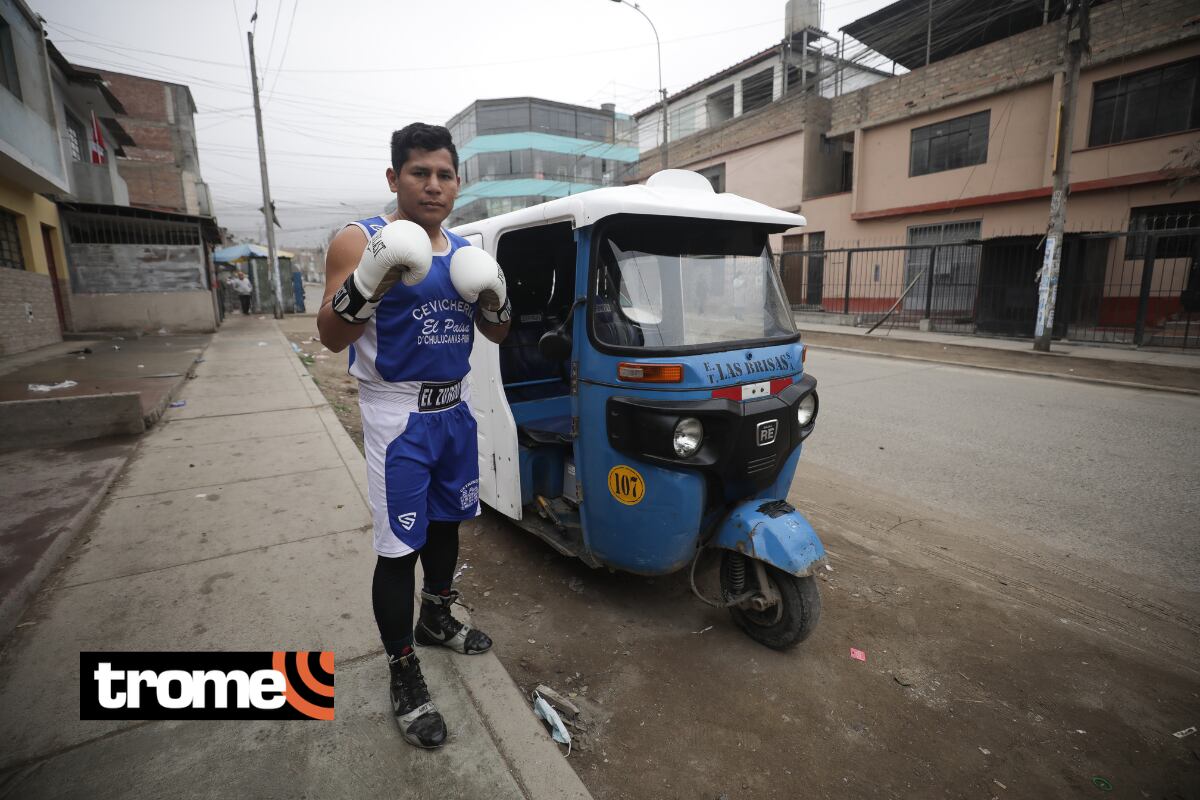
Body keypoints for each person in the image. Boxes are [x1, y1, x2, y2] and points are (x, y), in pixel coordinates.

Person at [317, 123, 511, 749]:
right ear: (394, 177)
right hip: (396, 416)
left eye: (444, 174)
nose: (433, 185)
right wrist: (368, 281)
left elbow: (497, 334)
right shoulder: (360, 239)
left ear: (458, 183)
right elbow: (330, 337)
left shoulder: (465, 251)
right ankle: (403, 668)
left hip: (455, 411)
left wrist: (497, 296)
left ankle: (437, 618)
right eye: (419, 173)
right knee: (399, 548)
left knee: (448, 527)